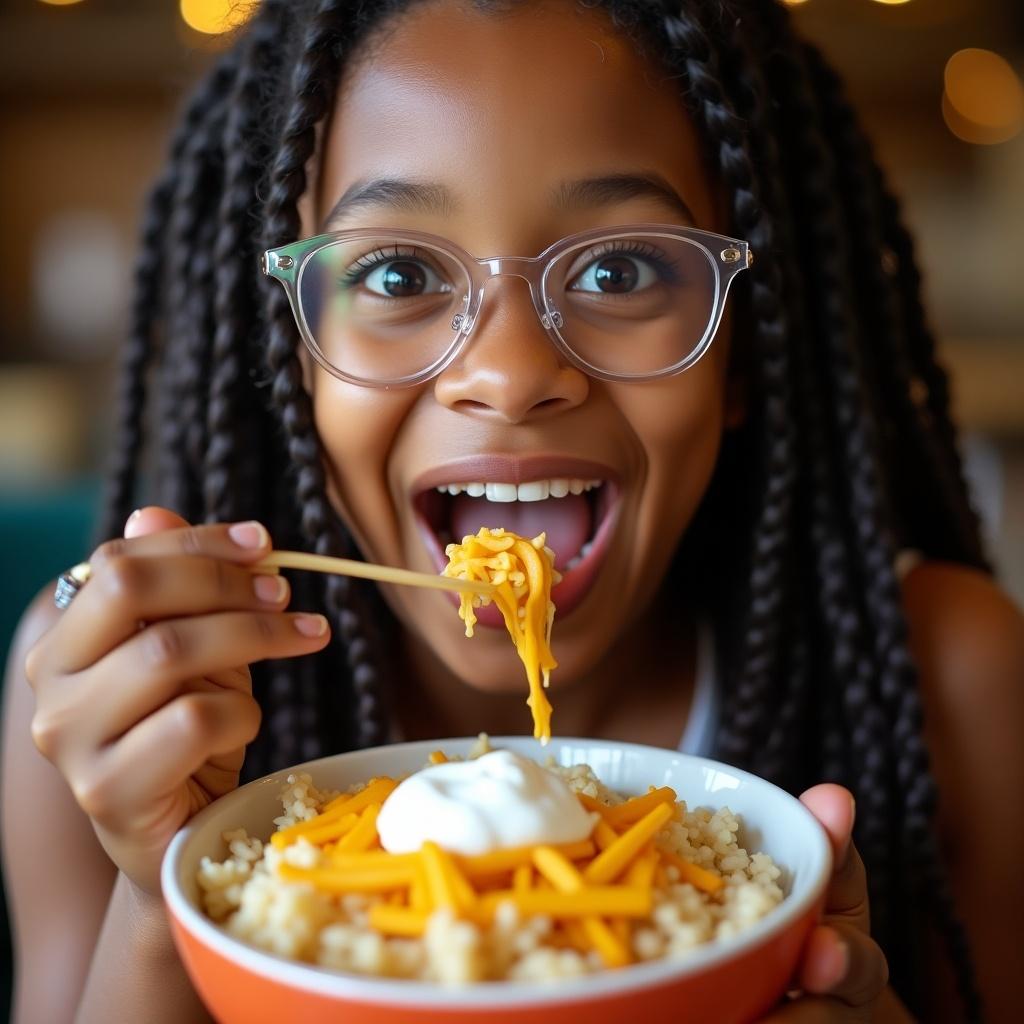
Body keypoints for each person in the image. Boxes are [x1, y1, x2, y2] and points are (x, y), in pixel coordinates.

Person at [3, 0, 1022, 1020]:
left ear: (742, 348)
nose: (509, 372)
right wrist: (160, 888)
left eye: (618, 271)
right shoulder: (122, 707)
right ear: (287, 359)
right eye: (395, 273)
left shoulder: (954, 679)